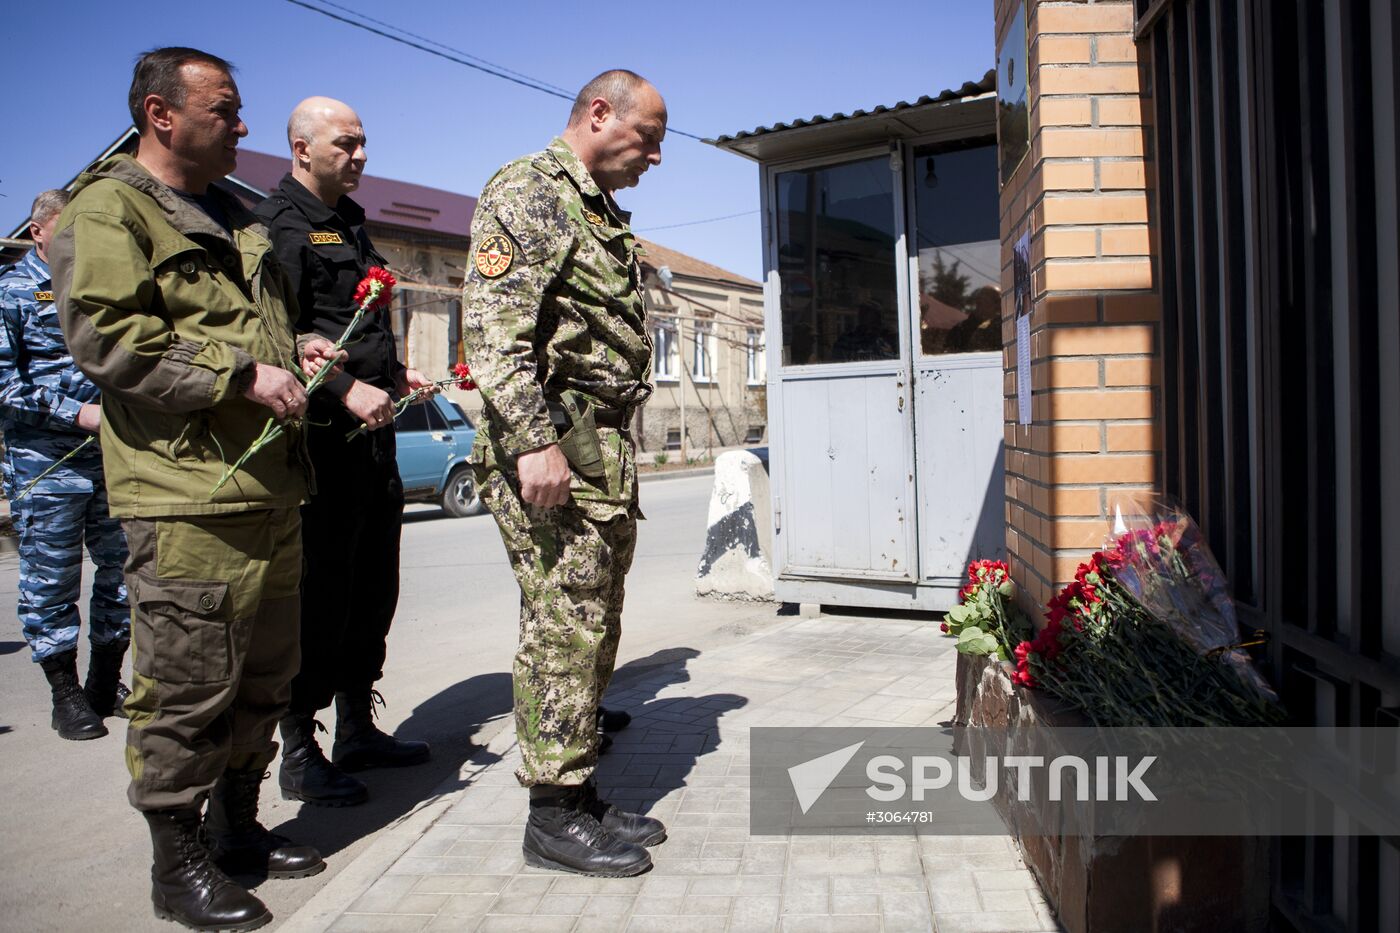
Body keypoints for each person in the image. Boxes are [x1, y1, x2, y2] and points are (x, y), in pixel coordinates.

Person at [51, 47, 344, 932]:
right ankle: (175, 867)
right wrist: (243, 374)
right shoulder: (107, 210)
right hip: (185, 495)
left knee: (265, 675)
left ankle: (237, 829)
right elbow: (108, 336)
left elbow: (256, 332)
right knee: (184, 689)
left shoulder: (238, 215)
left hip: (268, 484)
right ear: (160, 114)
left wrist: (299, 360)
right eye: (225, 110)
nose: (243, 125)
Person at [462, 69, 669, 877]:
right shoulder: (529, 191)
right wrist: (531, 441)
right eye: (647, 136)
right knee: (563, 620)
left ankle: (576, 794)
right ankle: (551, 815)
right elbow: (494, 334)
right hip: (554, 441)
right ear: (598, 113)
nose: (654, 155)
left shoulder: (595, 209)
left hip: (598, 445)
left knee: (593, 618)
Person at [254, 96, 434, 808]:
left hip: (375, 442)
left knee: (372, 588)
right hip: (323, 446)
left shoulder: (351, 223)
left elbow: (359, 326)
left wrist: (394, 378)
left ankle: (358, 724)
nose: (360, 156)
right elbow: (281, 338)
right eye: (345, 144)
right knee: (320, 597)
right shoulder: (276, 229)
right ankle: (301, 750)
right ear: (301, 148)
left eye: (364, 144)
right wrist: (345, 387)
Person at [0, 188, 131, 742]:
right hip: (45, 462)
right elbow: (5, 383)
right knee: (52, 580)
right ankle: (66, 694)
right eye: (67, 232)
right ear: (38, 232)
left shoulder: (95, 283)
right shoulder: (11, 291)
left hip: (111, 454)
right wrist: (76, 413)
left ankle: (105, 681)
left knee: (123, 572)